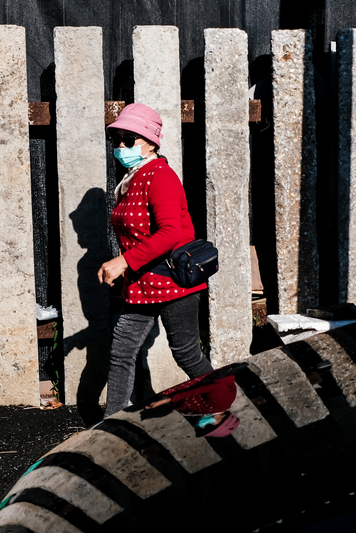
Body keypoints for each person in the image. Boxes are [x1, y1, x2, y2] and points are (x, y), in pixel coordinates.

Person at [99, 103, 213, 418]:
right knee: (122, 352)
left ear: (150, 142)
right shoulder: (133, 178)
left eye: (129, 139)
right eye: (117, 140)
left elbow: (169, 233)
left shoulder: (160, 176)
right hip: (141, 284)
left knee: (187, 354)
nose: (121, 147)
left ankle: (222, 406)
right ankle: (111, 425)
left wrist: (123, 262)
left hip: (174, 284)